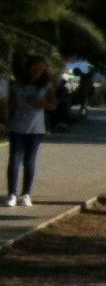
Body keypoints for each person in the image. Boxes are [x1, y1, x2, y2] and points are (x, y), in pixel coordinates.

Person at [5, 58, 60, 208]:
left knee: (29, 161)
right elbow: (10, 104)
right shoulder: (18, 84)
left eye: (41, 70)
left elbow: (54, 105)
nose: (37, 72)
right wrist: (6, 121)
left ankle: (26, 194)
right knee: (14, 160)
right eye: (35, 69)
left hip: (36, 129)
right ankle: (12, 194)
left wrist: (43, 104)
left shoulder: (46, 85)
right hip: (17, 126)